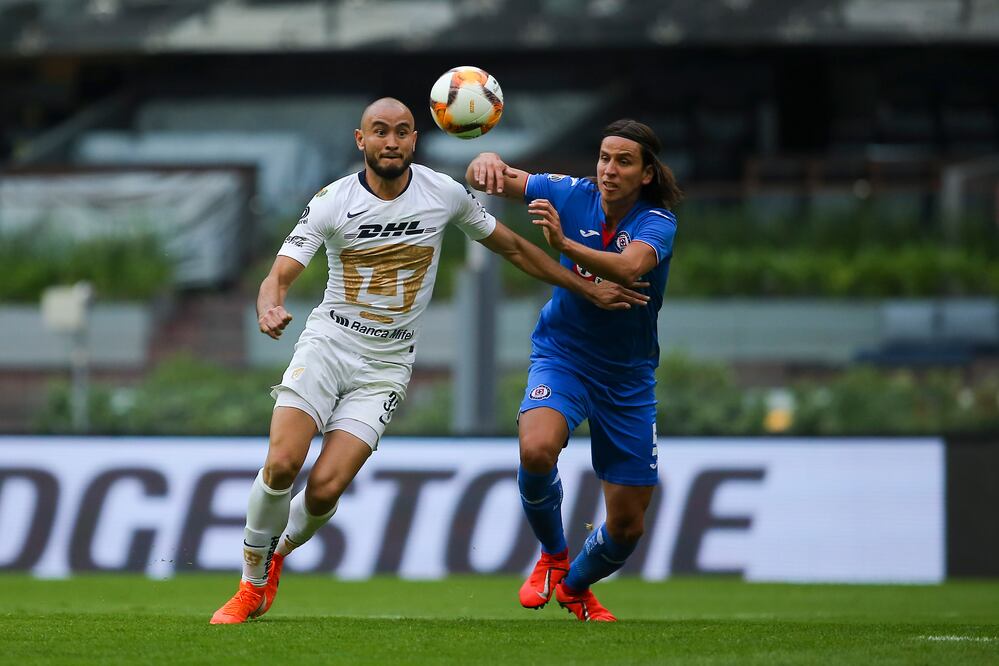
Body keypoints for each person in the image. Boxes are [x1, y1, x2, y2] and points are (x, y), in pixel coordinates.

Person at [209, 99, 649, 624]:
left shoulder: (442, 193)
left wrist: (584, 288)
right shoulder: (332, 200)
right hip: (327, 346)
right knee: (283, 462)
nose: (390, 142)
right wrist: (270, 303)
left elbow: (512, 248)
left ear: (414, 140)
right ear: (360, 140)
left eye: (401, 132)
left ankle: (274, 558)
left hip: (386, 365)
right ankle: (250, 583)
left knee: (325, 488)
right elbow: (279, 272)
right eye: (379, 132)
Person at [465, 119, 681, 622]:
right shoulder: (569, 191)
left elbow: (628, 268)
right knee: (537, 448)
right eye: (604, 158)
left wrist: (565, 243)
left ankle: (577, 586)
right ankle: (554, 557)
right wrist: (485, 163)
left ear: (646, 173)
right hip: (563, 355)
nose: (609, 169)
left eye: (623, 161)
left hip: (628, 377)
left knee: (627, 528)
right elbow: (498, 179)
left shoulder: (658, 222)